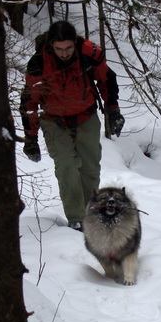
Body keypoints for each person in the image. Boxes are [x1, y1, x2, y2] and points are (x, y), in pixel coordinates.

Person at [20, 20, 124, 231]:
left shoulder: (89, 54)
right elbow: (30, 101)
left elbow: (107, 79)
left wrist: (112, 110)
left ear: (74, 44)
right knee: (67, 166)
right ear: (51, 45)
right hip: (53, 120)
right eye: (59, 49)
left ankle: (90, 212)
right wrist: (30, 138)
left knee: (90, 167)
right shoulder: (39, 63)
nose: (64, 53)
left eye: (68, 48)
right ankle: (76, 218)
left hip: (86, 115)